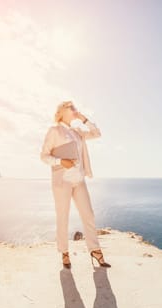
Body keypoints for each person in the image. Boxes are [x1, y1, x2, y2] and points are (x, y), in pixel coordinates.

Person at [40, 101, 111, 269]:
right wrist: (59, 161)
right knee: (62, 216)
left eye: (74, 108)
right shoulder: (54, 131)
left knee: (89, 215)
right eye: (70, 108)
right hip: (62, 179)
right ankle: (64, 252)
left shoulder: (77, 132)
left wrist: (83, 118)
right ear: (61, 112)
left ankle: (95, 250)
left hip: (79, 179)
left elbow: (97, 133)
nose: (74, 110)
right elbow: (44, 156)